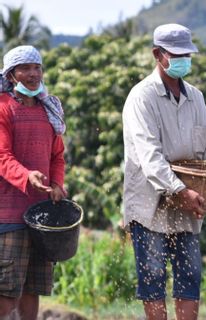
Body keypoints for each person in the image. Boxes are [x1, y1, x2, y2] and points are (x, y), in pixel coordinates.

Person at [122, 23, 206, 320]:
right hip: (150, 202)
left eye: (187, 53)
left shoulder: (195, 96)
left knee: (190, 275)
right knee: (153, 277)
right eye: (177, 53)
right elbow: (149, 156)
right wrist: (179, 190)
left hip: (189, 199)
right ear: (158, 54)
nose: (184, 59)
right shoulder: (141, 97)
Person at [0, 45, 67, 320]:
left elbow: (57, 156)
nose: (32, 74)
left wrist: (58, 184)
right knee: (6, 291)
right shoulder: (3, 107)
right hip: (9, 215)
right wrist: (27, 176)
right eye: (25, 68)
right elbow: (2, 156)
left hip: (41, 216)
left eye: (36, 67)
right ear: (11, 75)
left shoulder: (48, 110)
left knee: (33, 288)